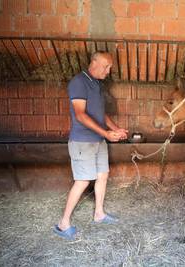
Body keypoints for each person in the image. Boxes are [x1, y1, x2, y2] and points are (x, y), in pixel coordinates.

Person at [54, 51, 128, 240]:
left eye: (110, 67)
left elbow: (100, 114)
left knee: (103, 175)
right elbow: (80, 114)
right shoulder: (79, 82)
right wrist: (105, 133)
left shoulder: (97, 85)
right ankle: (63, 224)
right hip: (82, 141)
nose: (109, 70)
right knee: (83, 181)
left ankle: (99, 214)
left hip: (98, 141)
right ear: (94, 63)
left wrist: (116, 129)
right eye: (106, 66)